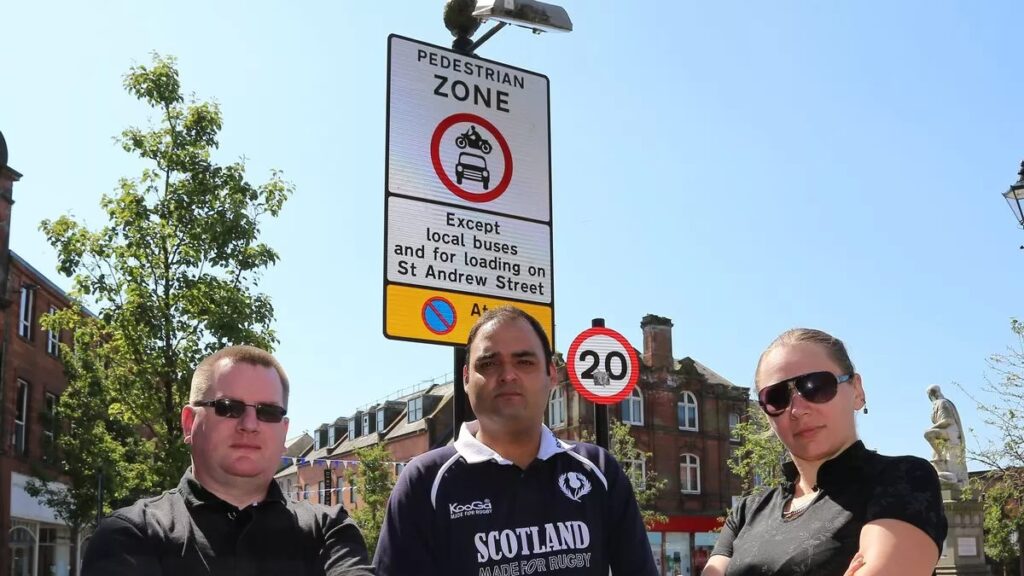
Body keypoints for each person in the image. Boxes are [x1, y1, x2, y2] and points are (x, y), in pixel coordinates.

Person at [373, 306, 658, 576]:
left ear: (551, 374)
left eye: (524, 362)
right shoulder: (424, 482)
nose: (508, 375)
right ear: (466, 378)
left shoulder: (598, 470)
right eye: (488, 363)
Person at [82, 345, 374, 576]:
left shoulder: (329, 531)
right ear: (189, 423)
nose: (250, 424)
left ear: (284, 431)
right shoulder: (131, 534)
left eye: (268, 412)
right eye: (228, 407)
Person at [702, 329, 947, 576]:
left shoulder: (902, 479)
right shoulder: (748, 510)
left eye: (816, 386)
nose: (797, 409)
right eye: (776, 397)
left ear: (857, 390)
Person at [924, 384, 968, 488]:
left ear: (931, 394)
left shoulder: (942, 403)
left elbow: (948, 420)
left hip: (951, 432)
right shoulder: (939, 403)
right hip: (946, 434)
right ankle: (939, 456)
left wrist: (931, 428)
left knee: (928, 434)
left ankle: (940, 455)